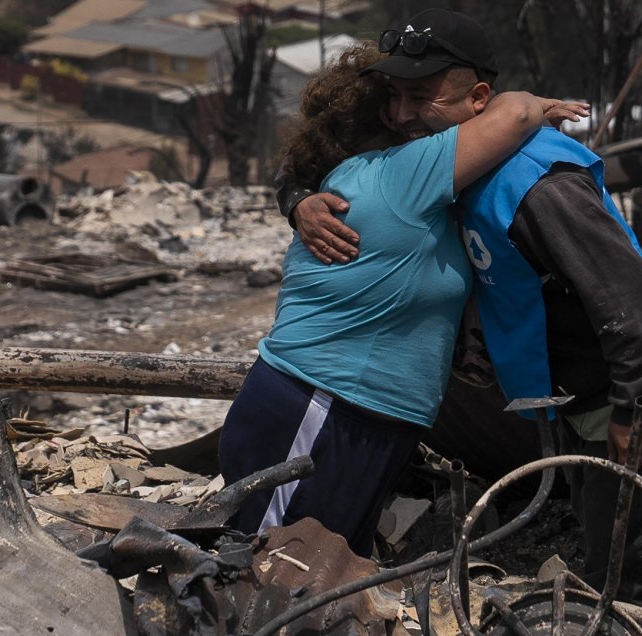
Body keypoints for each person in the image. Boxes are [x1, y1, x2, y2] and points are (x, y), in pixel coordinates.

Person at [280, 8, 642, 623]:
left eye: (419, 97)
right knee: (612, 550)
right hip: (582, 394)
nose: (402, 116)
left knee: (630, 575)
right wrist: (297, 201)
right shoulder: (452, 161)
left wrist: (633, 407)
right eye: (395, 98)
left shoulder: (535, 184)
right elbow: (315, 155)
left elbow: (623, 297)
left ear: (480, 98)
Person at [219, 42, 580, 558]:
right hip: (322, 411)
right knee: (269, 576)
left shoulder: (383, 183)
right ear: (382, 116)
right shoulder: (398, 175)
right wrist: (538, 104)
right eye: (399, 100)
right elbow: (516, 113)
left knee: (322, 582)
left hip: (360, 419)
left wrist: (294, 197)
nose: (409, 113)